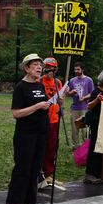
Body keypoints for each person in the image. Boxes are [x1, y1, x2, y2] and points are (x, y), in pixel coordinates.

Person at [6, 54, 50, 204]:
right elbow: (16, 113)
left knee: (35, 169)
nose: (39, 67)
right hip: (26, 135)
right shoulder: (20, 87)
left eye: (40, 65)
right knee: (22, 169)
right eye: (35, 65)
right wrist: (38, 105)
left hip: (41, 133)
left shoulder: (40, 86)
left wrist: (57, 101)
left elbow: (45, 105)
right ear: (26, 68)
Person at [39, 57, 65, 189]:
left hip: (54, 119)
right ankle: (39, 174)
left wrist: (61, 101)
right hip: (42, 119)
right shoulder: (39, 81)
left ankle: (49, 174)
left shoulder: (58, 82)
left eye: (53, 68)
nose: (51, 71)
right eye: (48, 68)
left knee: (51, 147)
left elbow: (61, 101)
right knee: (40, 147)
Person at [68, 62, 94, 149]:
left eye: (78, 69)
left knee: (84, 129)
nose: (76, 71)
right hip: (74, 108)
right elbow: (68, 93)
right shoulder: (72, 80)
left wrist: (84, 98)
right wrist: (72, 92)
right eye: (75, 69)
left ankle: (85, 147)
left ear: (82, 69)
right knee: (75, 129)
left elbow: (92, 93)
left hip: (85, 108)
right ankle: (75, 147)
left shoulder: (88, 80)